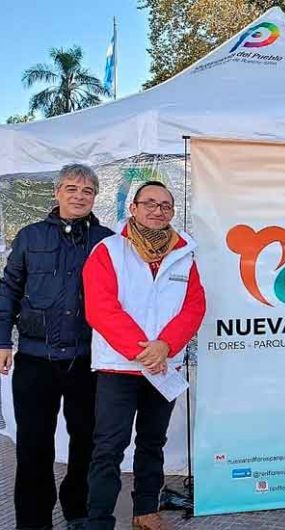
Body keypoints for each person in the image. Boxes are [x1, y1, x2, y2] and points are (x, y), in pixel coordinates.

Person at [83, 181, 206, 530]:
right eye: (149, 203)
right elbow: (101, 308)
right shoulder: (108, 250)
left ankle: (146, 511)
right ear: (133, 208)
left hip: (163, 365)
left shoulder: (184, 253)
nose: (158, 210)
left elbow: (194, 306)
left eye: (166, 205)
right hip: (118, 367)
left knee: (153, 442)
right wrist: (145, 350)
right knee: (109, 448)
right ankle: (99, 521)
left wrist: (165, 345)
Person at [0, 164, 113, 530]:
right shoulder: (30, 237)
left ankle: (77, 507)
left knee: (87, 441)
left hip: (87, 359)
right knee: (34, 446)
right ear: (57, 193)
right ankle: (33, 521)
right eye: (71, 189)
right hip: (35, 359)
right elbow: (9, 289)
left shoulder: (107, 240)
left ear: (95, 196)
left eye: (86, 191)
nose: (78, 196)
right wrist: (2, 340)